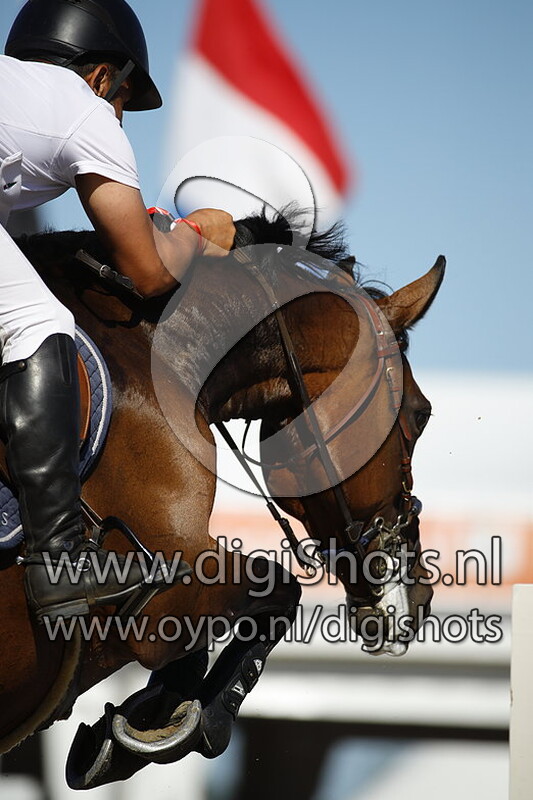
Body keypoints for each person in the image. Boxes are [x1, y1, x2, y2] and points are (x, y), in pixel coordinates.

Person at [0, 0, 235, 623]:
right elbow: (148, 272)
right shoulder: (82, 107)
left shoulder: (18, 96)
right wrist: (197, 232)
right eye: (125, 100)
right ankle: (59, 562)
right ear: (103, 77)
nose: (121, 118)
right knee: (38, 323)